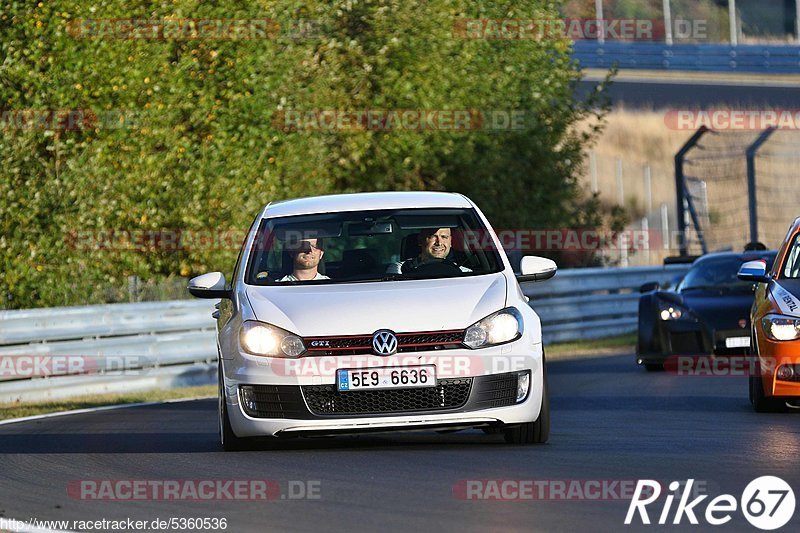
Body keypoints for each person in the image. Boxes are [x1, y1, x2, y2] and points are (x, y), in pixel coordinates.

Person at [387, 227, 471, 274]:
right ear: (420, 241)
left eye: (444, 237)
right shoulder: (400, 270)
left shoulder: (465, 273)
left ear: (451, 242)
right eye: (432, 236)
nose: (439, 243)